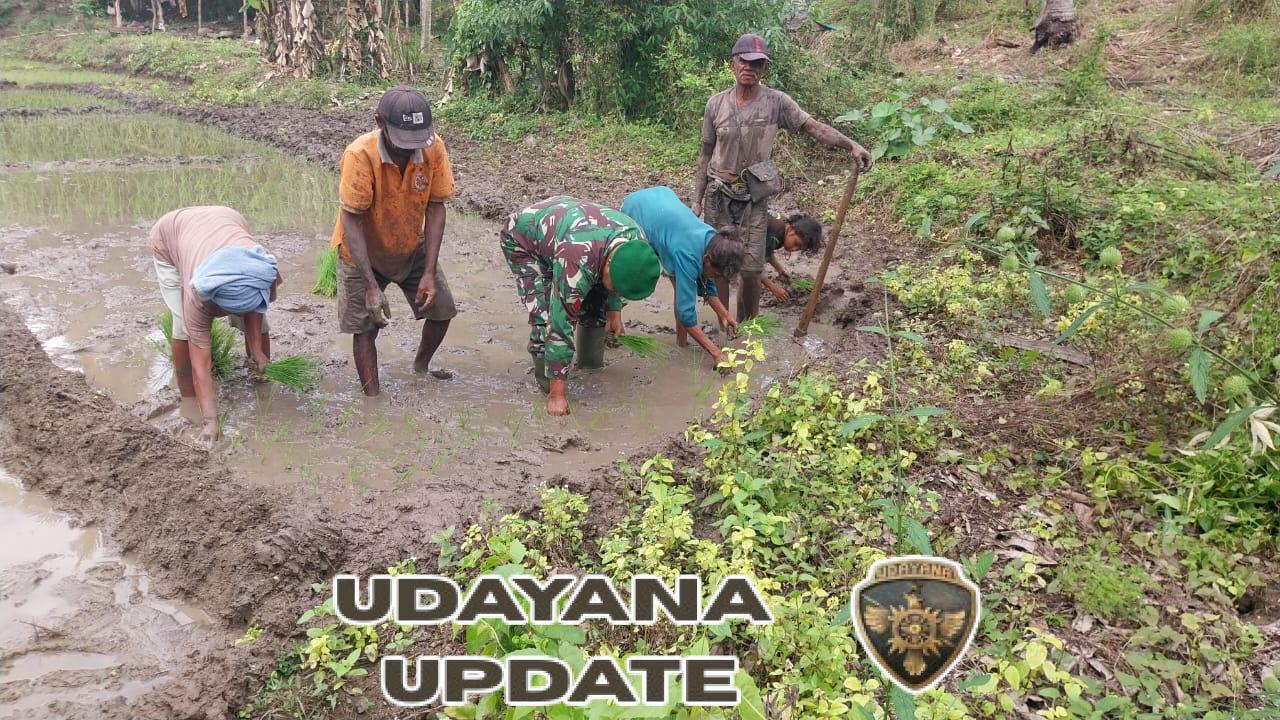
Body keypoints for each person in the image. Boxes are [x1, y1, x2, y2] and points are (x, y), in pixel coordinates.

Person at [693, 32, 873, 321]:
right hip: (718, 196)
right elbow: (704, 154)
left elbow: (812, 127)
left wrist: (850, 144)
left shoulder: (776, 102)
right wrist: (697, 201)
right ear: (732, 64)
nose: (749, 67)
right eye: (743, 61)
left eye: (757, 63)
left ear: (765, 69)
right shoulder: (716, 104)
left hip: (754, 199)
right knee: (720, 264)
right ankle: (724, 327)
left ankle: (748, 331)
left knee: (751, 270)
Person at [332, 84, 458, 397]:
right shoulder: (359, 155)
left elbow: (436, 207)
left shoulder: (433, 149)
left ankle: (420, 367)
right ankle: (372, 398)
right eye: (402, 141)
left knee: (442, 310)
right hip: (362, 251)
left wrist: (428, 271)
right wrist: (371, 286)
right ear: (379, 123)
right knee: (365, 326)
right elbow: (352, 219)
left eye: (416, 142)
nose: (408, 149)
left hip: (408, 245)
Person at [500, 196, 662, 417]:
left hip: (572, 236)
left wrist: (614, 312)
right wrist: (558, 396)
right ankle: (547, 383)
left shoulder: (637, 242)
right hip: (525, 239)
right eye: (615, 287)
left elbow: (617, 284)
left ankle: (590, 364)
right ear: (608, 265)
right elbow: (560, 325)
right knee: (545, 316)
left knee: (596, 306)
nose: (616, 293)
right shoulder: (577, 259)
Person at [151, 205, 281, 443]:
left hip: (228, 219)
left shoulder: (260, 266)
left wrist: (257, 351)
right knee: (182, 328)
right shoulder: (197, 297)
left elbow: (256, 307)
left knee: (258, 322)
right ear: (216, 304)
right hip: (171, 235)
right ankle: (188, 398)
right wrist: (211, 422)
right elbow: (202, 367)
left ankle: (260, 379)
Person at [620, 186, 743, 367]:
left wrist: (725, 314)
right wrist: (716, 353)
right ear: (707, 259)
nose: (715, 277)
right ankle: (613, 322)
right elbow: (686, 314)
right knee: (626, 272)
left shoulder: (712, 239)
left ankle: (681, 344)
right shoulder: (688, 254)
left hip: (660, 203)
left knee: (681, 286)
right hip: (636, 211)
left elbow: (706, 283)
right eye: (717, 274)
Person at [761, 210, 823, 301]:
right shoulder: (775, 234)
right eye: (796, 243)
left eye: (799, 248)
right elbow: (752, 265)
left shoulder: (784, 224)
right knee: (751, 281)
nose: (794, 249)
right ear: (791, 229)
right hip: (735, 233)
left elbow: (766, 250)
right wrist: (773, 288)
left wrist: (779, 269)